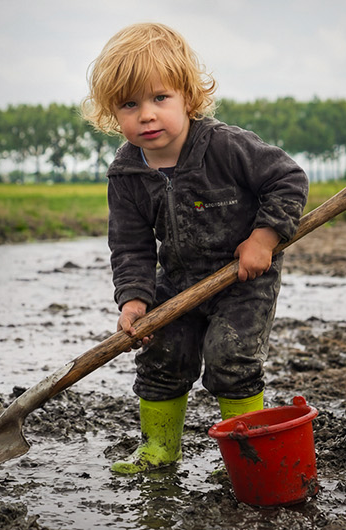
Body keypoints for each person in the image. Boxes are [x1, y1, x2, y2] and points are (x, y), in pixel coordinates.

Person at [79, 22, 309, 474]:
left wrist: (264, 239)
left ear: (188, 96)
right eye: (130, 104)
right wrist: (135, 299)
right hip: (179, 282)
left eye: (159, 98)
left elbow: (289, 180)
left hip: (243, 277)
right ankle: (159, 450)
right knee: (163, 357)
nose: (146, 115)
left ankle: (247, 456)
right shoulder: (126, 173)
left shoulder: (226, 147)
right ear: (111, 113)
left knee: (230, 357)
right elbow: (130, 244)